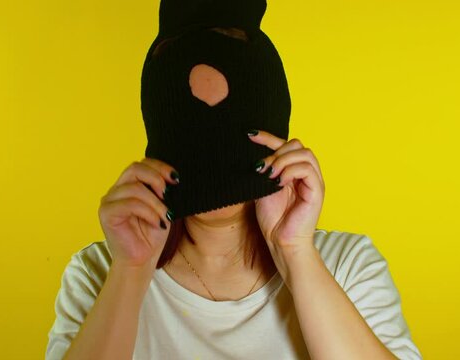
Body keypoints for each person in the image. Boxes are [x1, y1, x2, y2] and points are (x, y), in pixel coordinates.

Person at [46, 1, 422, 359]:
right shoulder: (98, 275)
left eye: (236, 137)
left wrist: (296, 253)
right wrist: (130, 273)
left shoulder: (348, 267)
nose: (215, 162)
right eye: (193, 138)